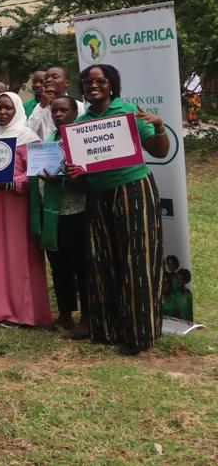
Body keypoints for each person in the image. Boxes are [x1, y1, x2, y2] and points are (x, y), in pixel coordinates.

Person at [73, 64, 169, 355]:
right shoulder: (83, 121)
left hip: (132, 191)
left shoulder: (129, 113)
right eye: (88, 82)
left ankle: (137, 335)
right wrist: (75, 171)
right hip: (98, 195)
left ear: (111, 85)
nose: (93, 86)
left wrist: (160, 126)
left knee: (135, 260)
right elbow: (82, 166)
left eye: (100, 81)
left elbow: (160, 150)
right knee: (102, 261)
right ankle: (108, 329)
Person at [0, 92, 52, 328]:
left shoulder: (27, 137)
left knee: (19, 258)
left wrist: (10, 183)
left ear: (18, 110)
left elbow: (37, 173)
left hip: (17, 206)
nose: (1, 112)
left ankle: (24, 313)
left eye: (7, 108)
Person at [30, 96, 88, 337]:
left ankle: (87, 317)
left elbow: (91, 178)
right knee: (58, 265)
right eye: (55, 111)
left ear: (76, 113)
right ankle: (65, 315)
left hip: (76, 213)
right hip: (52, 213)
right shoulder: (50, 141)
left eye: (64, 110)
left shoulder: (83, 141)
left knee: (80, 267)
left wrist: (65, 178)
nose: (59, 115)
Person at [28, 66, 86, 141]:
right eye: (46, 78)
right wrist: (41, 106)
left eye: (54, 77)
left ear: (66, 83)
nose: (48, 80)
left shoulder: (79, 106)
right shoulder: (40, 107)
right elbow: (28, 133)